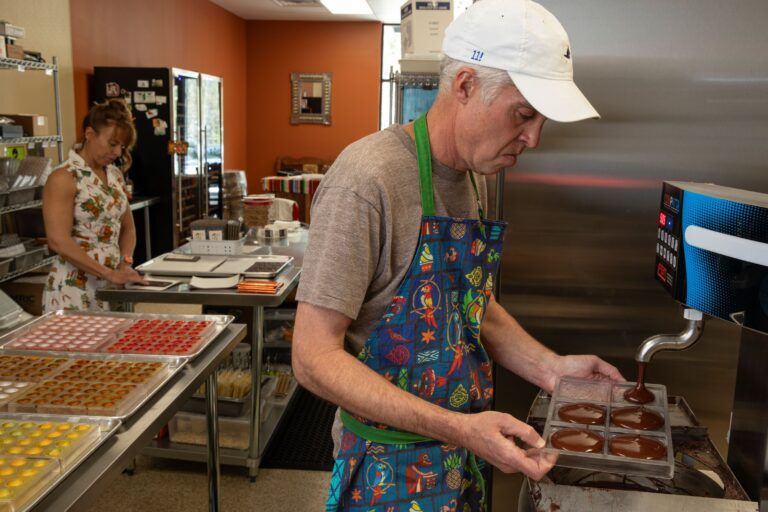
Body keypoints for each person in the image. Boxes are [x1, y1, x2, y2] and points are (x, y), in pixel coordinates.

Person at [293, 0, 624, 510]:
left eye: (542, 120)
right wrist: (460, 428)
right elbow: (313, 358)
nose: (534, 138)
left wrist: (551, 369)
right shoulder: (367, 180)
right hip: (386, 470)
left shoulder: (475, 177)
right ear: (465, 85)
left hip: (463, 456)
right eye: (523, 114)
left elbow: (466, 304)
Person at [43, 98, 145, 312]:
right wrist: (108, 273)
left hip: (113, 281)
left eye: (122, 146)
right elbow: (58, 240)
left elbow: (128, 228)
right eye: (112, 143)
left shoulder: (115, 174)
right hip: (75, 286)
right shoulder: (64, 177)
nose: (118, 152)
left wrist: (125, 263)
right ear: (90, 134)